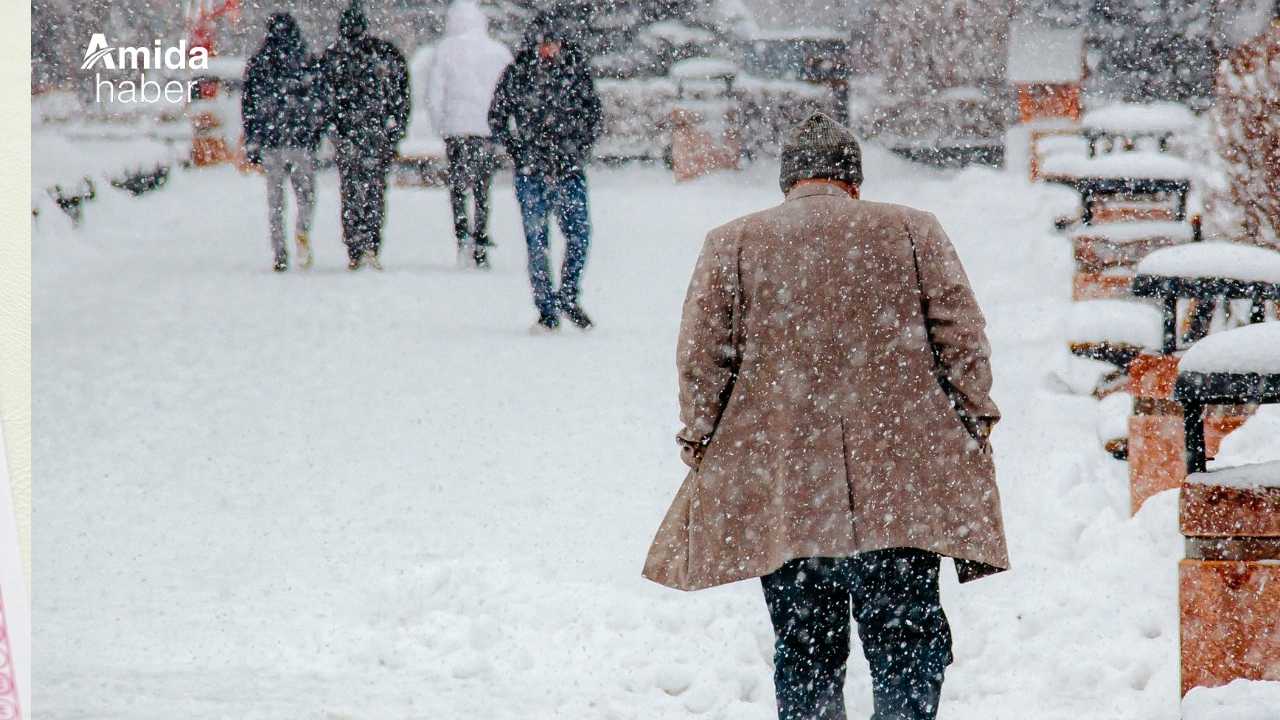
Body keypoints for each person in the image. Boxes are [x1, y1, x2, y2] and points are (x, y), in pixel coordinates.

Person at [642, 113, 1010, 720]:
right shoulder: (913, 231)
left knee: (806, 647)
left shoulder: (733, 242)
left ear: (788, 184)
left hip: (788, 488)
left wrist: (702, 442)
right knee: (907, 643)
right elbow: (963, 341)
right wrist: (973, 423)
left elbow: (701, 360)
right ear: (854, 181)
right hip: (901, 487)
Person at [488, 12, 603, 331]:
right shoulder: (518, 74)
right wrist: (518, 149)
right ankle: (547, 309)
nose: (547, 51)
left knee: (578, 235)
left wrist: (577, 149)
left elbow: (594, 116)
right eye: (542, 45)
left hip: (566, 169)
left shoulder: (575, 72)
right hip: (533, 171)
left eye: (552, 44)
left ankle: (567, 295)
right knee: (538, 242)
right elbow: (497, 117)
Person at [320, 5, 410, 271]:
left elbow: (324, 98)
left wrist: (332, 127)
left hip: (349, 134)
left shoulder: (334, 56)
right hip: (375, 133)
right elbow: (401, 93)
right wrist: (396, 127)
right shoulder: (382, 54)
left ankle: (355, 246)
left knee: (351, 190)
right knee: (374, 190)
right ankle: (370, 243)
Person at [425, 0, 512, 270]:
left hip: (456, 130)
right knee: (483, 188)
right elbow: (510, 91)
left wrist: (442, 125)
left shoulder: (446, 51)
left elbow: (434, 95)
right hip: (486, 130)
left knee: (459, 187)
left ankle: (463, 236)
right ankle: (481, 238)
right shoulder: (497, 51)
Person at [241, 12, 326, 272]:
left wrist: (253, 140)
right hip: (300, 142)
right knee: (306, 196)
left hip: (271, 141)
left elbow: (249, 106)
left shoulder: (259, 62)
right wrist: (315, 134)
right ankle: (302, 229)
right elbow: (319, 101)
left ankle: (279, 250)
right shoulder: (306, 61)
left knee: (275, 200)